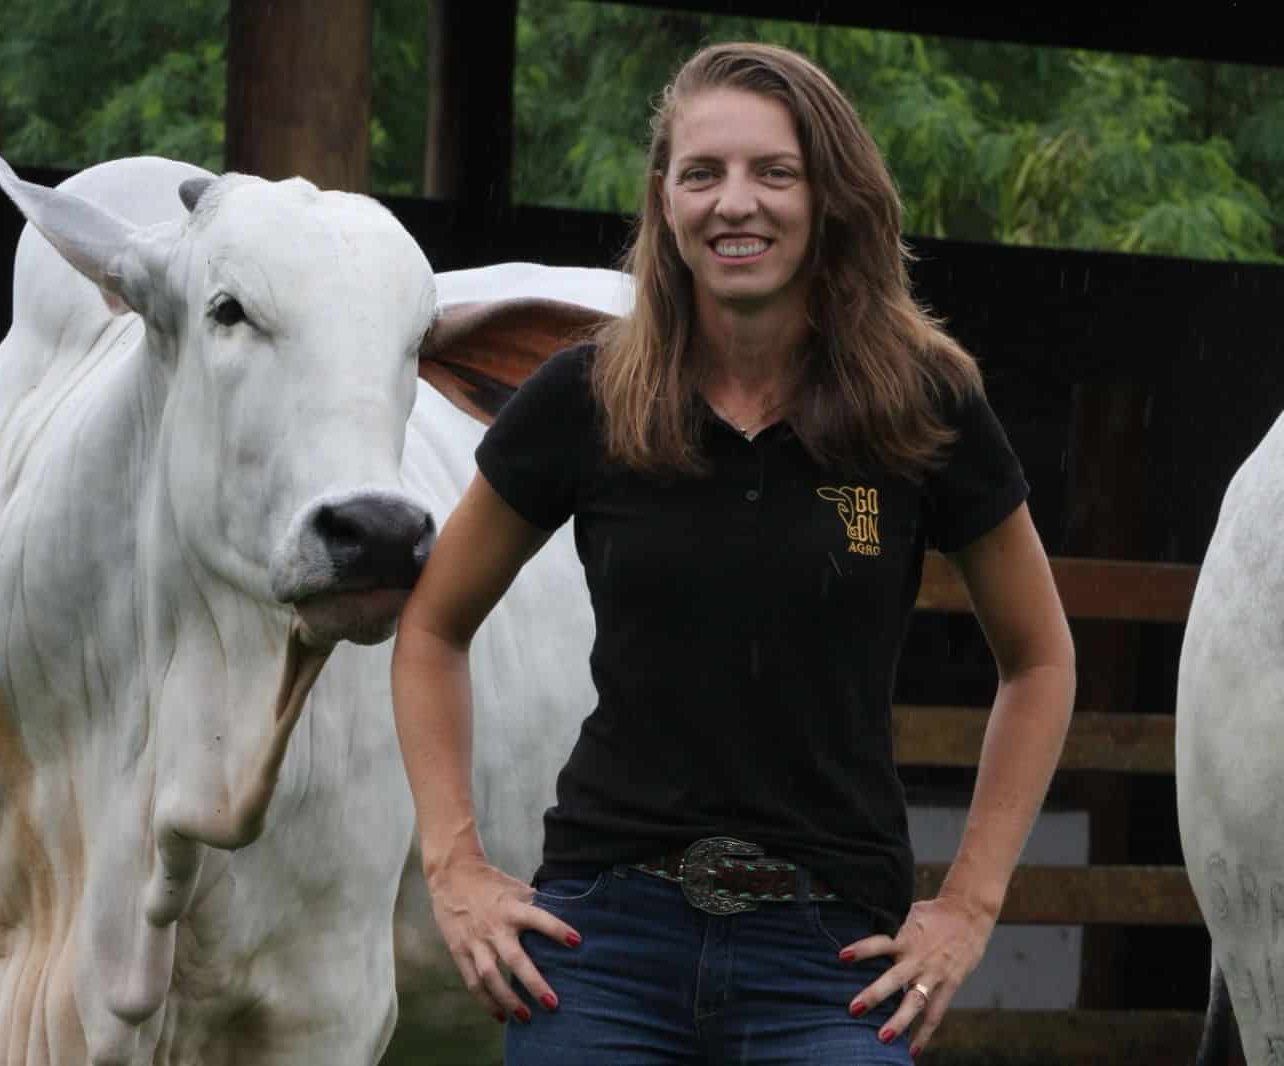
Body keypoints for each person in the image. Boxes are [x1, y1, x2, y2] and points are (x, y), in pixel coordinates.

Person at [390, 40, 1075, 1065]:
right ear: (663, 201)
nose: (734, 203)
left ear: (828, 194)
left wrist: (970, 902)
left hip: (830, 963)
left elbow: (1040, 659)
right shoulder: (586, 396)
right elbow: (431, 627)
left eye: (774, 172)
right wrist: (455, 865)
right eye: (701, 174)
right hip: (601, 944)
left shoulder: (922, 403)